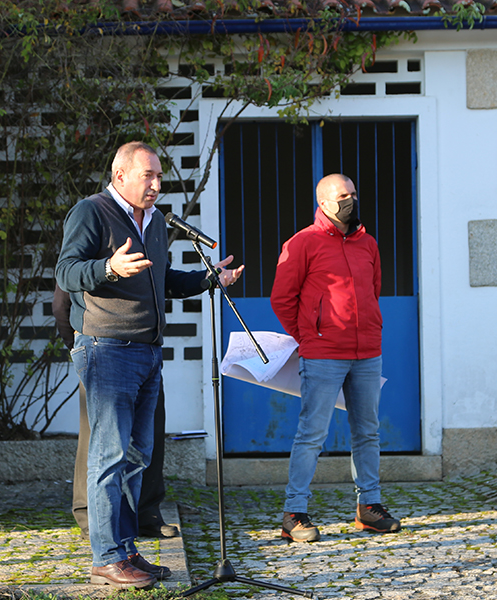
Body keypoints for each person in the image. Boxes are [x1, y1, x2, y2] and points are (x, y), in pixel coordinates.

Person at [56, 141, 243, 589]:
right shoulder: (91, 212)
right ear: (120, 176)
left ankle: (126, 550)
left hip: (146, 352)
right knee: (110, 455)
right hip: (106, 348)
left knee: (137, 457)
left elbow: (163, 280)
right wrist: (108, 269)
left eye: (159, 177)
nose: (157, 185)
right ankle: (105, 557)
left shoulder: (155, 221)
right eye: (148, 176)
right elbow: (66, 272)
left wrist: (208, 280)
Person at [270, 173, 401, 543]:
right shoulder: (302, 244)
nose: (351, 201)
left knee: (367, 432)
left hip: (366, 352)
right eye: (343, 196)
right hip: (323, 354)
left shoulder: (368, 244)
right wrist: (310, 336)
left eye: (354, 194)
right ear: (324, 203)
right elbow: (282, 298)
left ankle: (369, 508)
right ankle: (294, 512)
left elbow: (373, 292)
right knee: (312, 433)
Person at [52, 284, 177, 542]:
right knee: (96, 441)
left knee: (148, 437)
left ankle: (146, 512)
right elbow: (60, 305)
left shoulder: (153, 244)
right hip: (101, 354)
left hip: (145, 353)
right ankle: (89, 515)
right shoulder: (90, 246)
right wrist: (78, 349)